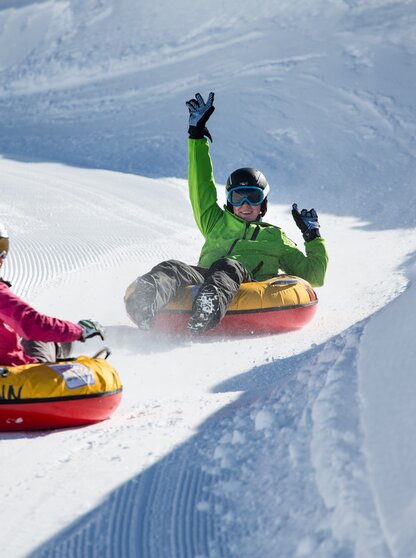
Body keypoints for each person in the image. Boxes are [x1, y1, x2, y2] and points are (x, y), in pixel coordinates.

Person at [125, 92, 328, 334]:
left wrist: (313, 236)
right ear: (229, 201)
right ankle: (146, 306)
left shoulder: (275, 237)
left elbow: (314, 276)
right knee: (173, 267)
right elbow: (201, 186)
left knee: (228, 265)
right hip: (204, 279)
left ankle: (207, 310)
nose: (245, 204)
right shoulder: (215, 222)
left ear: (263, 202)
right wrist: (196, 136)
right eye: (237, 197)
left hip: (246, 283)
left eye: (252, 197)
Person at [0, 223, 104, 366]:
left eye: (3, 248)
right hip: (13, 379)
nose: (2, 258)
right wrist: (79, 331)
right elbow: (31, 324)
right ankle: (65, 373)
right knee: (43, 338)